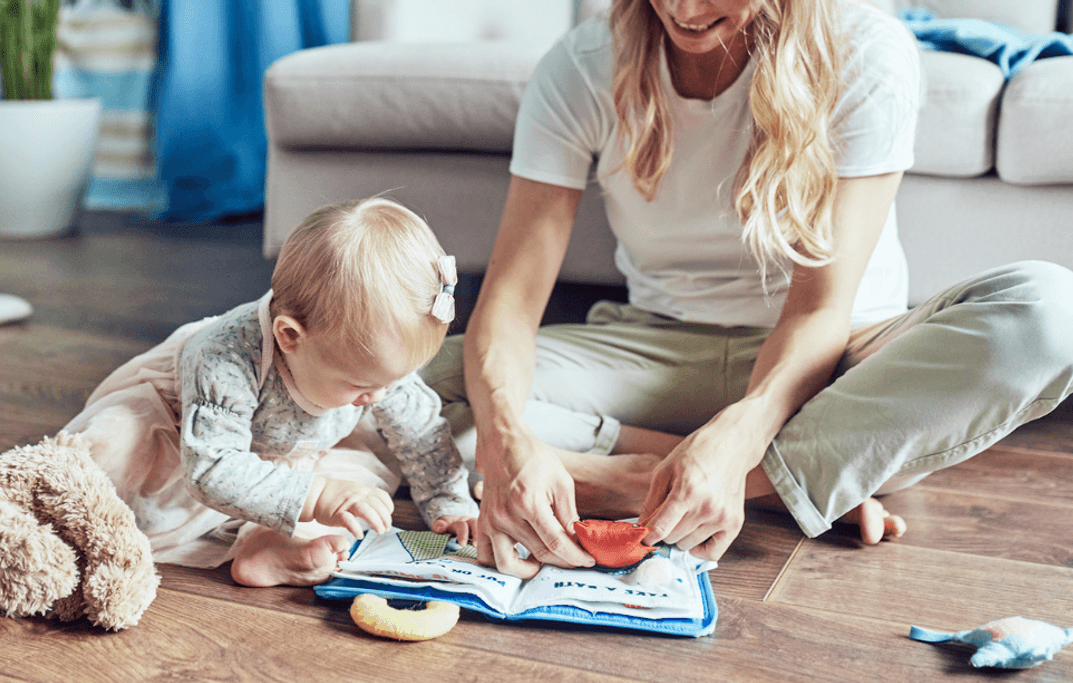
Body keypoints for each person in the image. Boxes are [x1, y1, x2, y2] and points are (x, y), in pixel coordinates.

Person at [422, 0, 1073, 578]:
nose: (680, 8)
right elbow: (508, 300)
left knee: (1049, 314)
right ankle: (781, 484)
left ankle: (724, 479)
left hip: (834, 366)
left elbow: (818, 308)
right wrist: (507, 445)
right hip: (662, 349)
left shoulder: (865, 51)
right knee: (405, 388)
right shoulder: (582, 64)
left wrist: (736, 446)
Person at [64, 197, 478, 587]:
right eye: (363, 384)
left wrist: (450, 502)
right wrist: (316, 495)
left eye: (395, 379)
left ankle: (268, 545)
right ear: (290, 337)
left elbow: (422, 435)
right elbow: (211, 471)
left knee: (358, 492)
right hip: (186, 449)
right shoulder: (223, 356)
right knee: (106, 463)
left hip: (292, 453)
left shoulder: (370, 371)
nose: (381, 396)